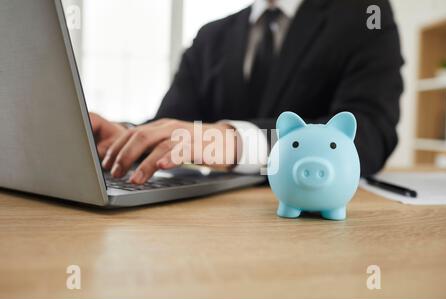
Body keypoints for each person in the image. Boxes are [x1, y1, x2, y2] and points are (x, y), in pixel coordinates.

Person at [90, 0, 403, 185]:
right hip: (209, 225)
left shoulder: (364, 15)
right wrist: (128, 139)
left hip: (307, 224)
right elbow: (172, 124)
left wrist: (236, 142)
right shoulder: (211, 36)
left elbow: (370, 134)